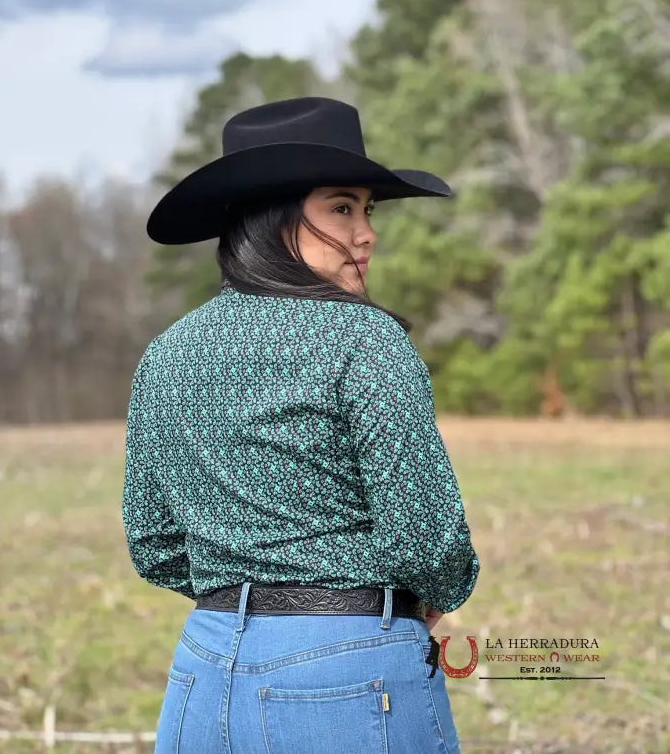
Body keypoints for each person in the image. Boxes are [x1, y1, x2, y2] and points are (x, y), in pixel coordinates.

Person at [122, 97, 480, 754]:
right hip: (347, 668)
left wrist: (244, 595)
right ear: (274, 215)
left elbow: (154, 543)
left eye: (366, 211)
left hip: (201, 673)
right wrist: (426, 597)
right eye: (341, 208)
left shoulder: (168, 351)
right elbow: (425, 537)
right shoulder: (364, 339)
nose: (366, 232)